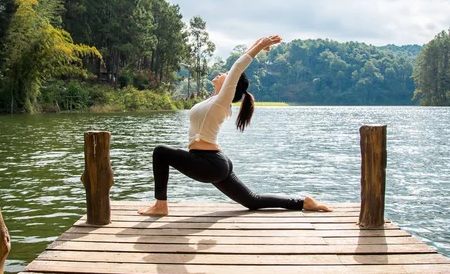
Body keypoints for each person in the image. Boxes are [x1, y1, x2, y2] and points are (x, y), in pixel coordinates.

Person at [138, 35, 332, 216]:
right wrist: (257, 44)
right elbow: (236, 71)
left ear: (232, 85)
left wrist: (259, 46)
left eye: (226, 74)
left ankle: (160, 205)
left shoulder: (222, 101)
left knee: (160, 152)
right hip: (214, 162)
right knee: (252, 200)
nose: (223, 73)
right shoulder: (214, 100)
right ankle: (303, 202)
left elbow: (238, 67)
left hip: (209, 162)